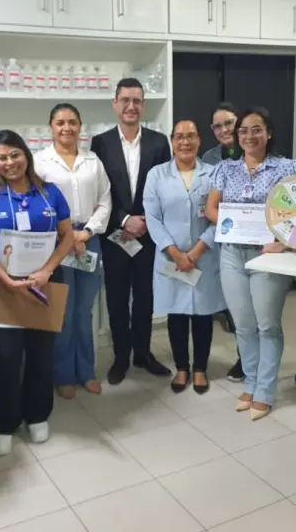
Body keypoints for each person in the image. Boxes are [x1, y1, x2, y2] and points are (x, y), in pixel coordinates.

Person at [0, 129, 75, 456]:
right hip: (6, 287)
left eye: (15, 154)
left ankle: (37, 414)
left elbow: (68, 237)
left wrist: (48, 270)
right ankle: (4, 422)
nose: (10, 162)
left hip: (45, 284)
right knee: (6, 358)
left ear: (26, 156)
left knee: (41, 356)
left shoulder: (49, 193)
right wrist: (4, 278)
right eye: (1, 157)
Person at [206, 107, 296, 420]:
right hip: (232, 253)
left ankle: (265, 390)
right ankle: (250, 383)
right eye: (244, 130)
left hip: (268, 255)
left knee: (267, 325)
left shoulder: (287, 168)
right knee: (244, 325)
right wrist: (230, 224)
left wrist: (284, 242)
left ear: (269, 133)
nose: (249, 136)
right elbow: (211, 208)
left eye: (257, 129)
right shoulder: (226, 169)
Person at [91, 78, 172, 385]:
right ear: (115, 104)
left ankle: (143, 354)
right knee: (116, 299)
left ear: (143, 105)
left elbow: (164, 188)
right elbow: (101, 192)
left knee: (145, 298)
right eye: (125, 100)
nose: (131, 106)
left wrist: (146, 221)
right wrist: (125, 220)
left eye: (137, 100)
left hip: (148, 236)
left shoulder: (158, 142)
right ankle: (121, 357)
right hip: (115, 235)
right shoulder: (100, 143)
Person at [143, 119, 224, 394]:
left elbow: (220, 217)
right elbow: (153, 218)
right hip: (171, 258)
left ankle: (200, 368)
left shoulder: (213, 174)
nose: (185, 142)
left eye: (191, 136)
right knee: (176, 313)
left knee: (203, 313)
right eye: (179, 137)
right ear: (172, 141)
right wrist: (175, 253)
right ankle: (181, 367)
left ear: (199, 140)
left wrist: (198, 250)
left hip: (205, 255)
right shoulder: (157, 175)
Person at [36, 103, 111, 399]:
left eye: (72, 122)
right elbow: (40, 203)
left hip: (88, 240)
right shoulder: (40, 162)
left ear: (80, 127)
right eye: (60, 122)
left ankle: (87, 371)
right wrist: (68, 235)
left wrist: (86, 232)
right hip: (57, 242)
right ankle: (64, 374)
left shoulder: (93, 161)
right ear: (51, 127)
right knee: (64, 311)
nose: (66, 128)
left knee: (85, 310)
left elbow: (105, 200)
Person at [203, 102, 242, 382]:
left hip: (254, 240)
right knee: (234, 305)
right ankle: (245, 358)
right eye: (217, 126)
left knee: (252, 308)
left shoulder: (254, 148)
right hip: (222, 238)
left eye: (228, 123)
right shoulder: (209, 158)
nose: (224, 130)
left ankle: (251, 360)